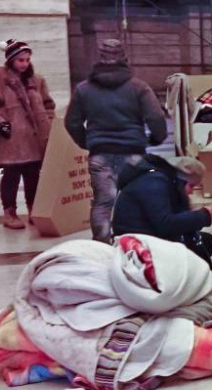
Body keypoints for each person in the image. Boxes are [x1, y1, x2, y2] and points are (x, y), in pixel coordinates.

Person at [65, 39, 166, 243]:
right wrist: (156, 138)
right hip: (134, 154)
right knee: (138, 198)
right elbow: (156, 118)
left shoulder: (83, 89)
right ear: (124, 59)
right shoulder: (139, 87)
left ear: (98, 59)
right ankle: (136, 242)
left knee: (102, 203)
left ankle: (102, 244)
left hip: (100, 153)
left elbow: (72, 122)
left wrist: (88, 142)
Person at [0, 39, 56, 229]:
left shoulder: (37, 80)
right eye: (21, 60)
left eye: (27, 60)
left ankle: (33, 210)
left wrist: (49, 125)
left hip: (35, 138)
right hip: (11, 137)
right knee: (11, 174)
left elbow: (48, 106)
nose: (25, 64)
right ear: (11, 59)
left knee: (33, 175)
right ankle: (9, 213)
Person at [112, 155, 212, 265]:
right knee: (200, 246)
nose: (191, 192)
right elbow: (165, 224)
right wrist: (203, 216)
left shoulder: (163, 182)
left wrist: (202, 216)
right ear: (182, 180)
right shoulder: (154, 183)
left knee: (206, 241)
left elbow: (170, 218)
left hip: (145, 237)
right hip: (138, 243)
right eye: (191, 186)